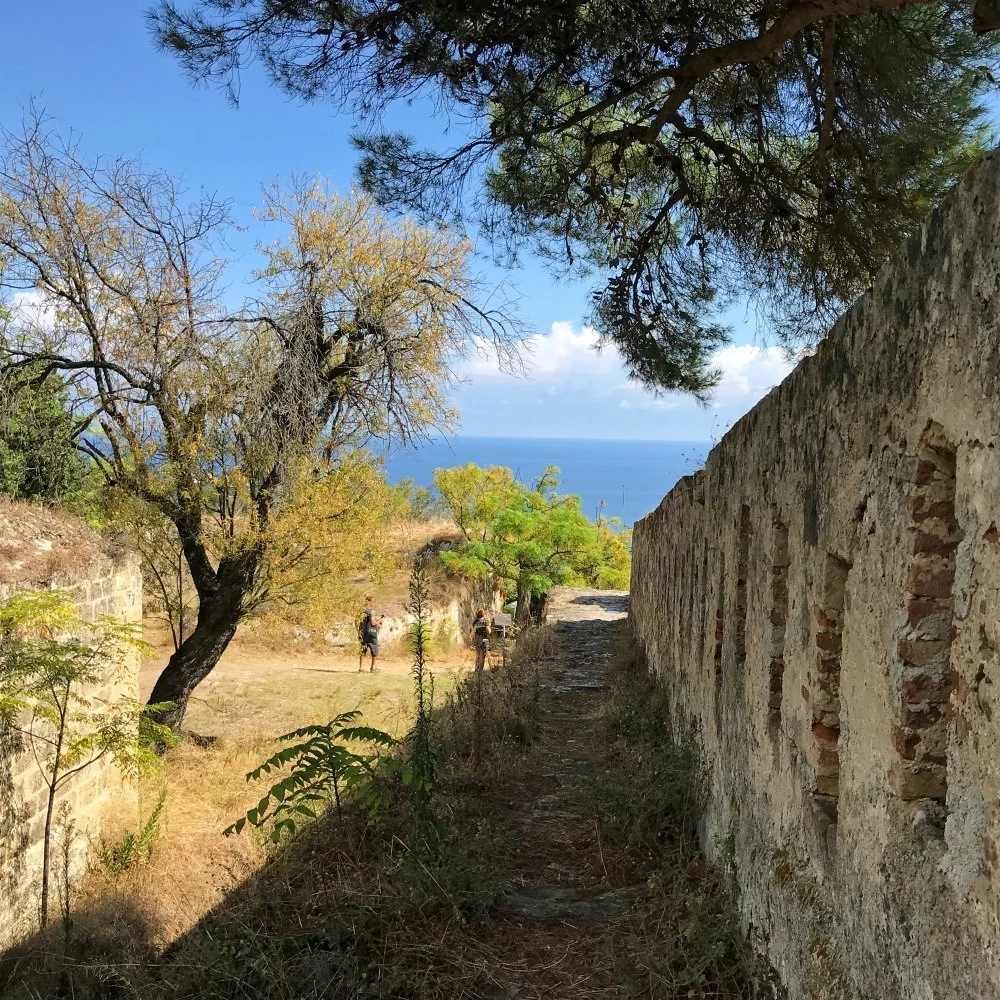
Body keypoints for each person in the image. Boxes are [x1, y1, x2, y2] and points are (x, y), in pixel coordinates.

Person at [358, 597, 383, 673]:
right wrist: (380, 620)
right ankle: (373, 668)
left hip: (362, 633)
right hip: (371, 633)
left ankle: (361, 668)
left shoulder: (360, 611)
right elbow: (372, 623)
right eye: (373, 601)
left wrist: (358, 630)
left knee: (363, 650)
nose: (374, 603)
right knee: (374, 649)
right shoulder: (371, 611)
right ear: (369, 602)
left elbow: (357, 621)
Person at [470, 607, 492, 672]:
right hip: (484, 638)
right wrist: (489, 626)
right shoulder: (485, 621)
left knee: (477, 655)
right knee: (482, 655)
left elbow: (471, 629)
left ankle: (476, 669)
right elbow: (489, 631)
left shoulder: (476, 621)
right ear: (484, 614)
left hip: (477, 638)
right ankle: (480, 670)